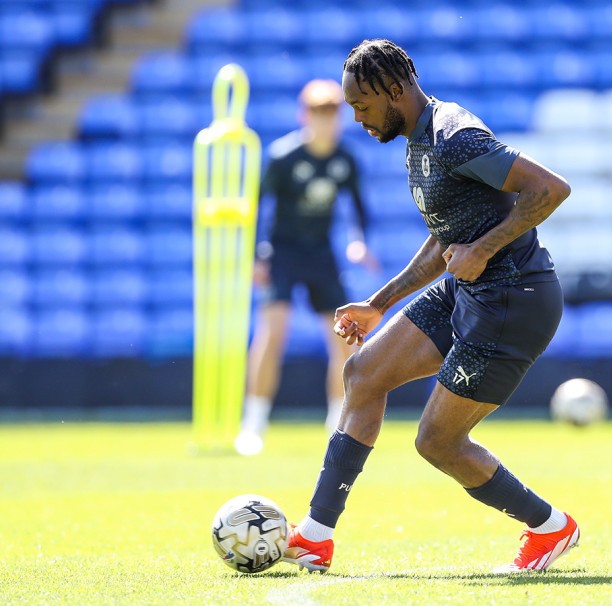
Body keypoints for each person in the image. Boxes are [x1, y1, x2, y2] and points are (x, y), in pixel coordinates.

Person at [280, 38, 579, 574]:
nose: (358, 118)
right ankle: (315, 537)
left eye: (363, 106)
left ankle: (550, 527)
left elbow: (550, 189)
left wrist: (485, 247)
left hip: (513, 299)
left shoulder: (453, 136)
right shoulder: (417, 139)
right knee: (364, 372)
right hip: (472, 290)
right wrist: (379, 302)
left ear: (395, 91)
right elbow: (446, 239)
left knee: (437, 442)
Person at [235, 79, 378, 456]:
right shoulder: (284, 157)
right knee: (274, 330)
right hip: (282, 253)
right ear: (304, 115)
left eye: (331, 111)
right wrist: (256, 256)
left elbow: (360, 210)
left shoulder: (344, 159)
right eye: (318, 111)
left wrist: (359, 242)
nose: (325, 119)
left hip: (320, 253)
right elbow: (258, 208)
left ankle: (338, 424)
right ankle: (254, 423)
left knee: (342, 336)